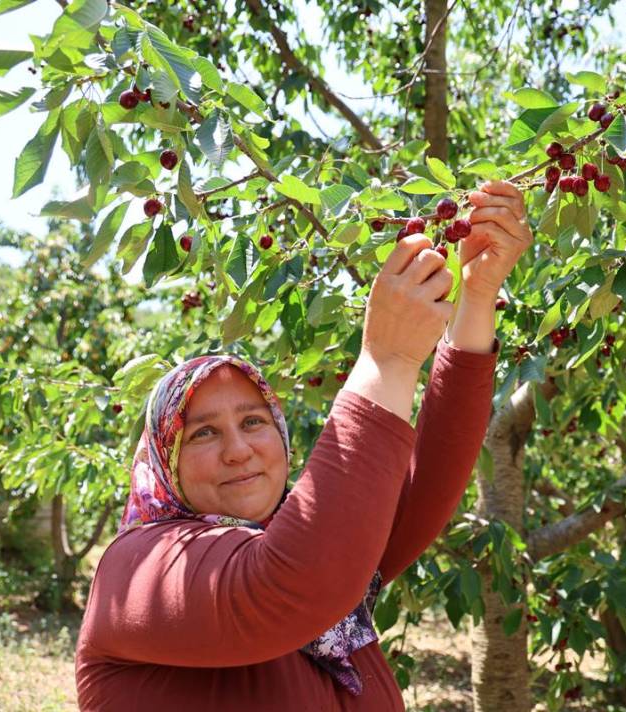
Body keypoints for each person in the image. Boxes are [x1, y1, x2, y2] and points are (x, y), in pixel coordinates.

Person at [75, 181, 533, 710]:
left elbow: (428, 475)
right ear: (163, 464)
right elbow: (285, 584)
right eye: (202, 432)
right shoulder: (137, 569)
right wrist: (385, 359)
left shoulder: (323, 548)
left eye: (253, 421)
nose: (238, 450)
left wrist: (476, 296)